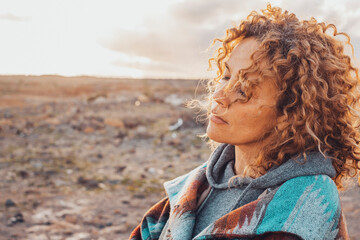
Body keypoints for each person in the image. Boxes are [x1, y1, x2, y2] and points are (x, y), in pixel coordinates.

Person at [129, 4, 360, 240]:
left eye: (244, 89)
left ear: (290, 113)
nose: (219, 95)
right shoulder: (192, 189)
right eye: (226, 76)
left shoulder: (307, 205)